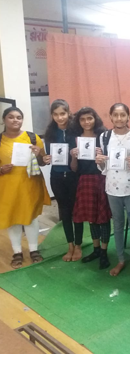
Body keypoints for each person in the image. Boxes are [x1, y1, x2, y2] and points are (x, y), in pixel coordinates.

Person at [96, 103, 130, 276]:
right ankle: (120, 259)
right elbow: (103, 166)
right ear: (110, 117)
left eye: (123, 115)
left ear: (128, 117)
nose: (119, 118)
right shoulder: (104, 137)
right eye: (116, 115)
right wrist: (99, 161)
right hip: (112, 187)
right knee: (117, 224)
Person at [0, 107, 50, 268]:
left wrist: (39, 154)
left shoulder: (32, 138)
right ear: (4, 119)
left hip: (30, 185)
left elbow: (43, 162)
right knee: (12, 218)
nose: (15, 120)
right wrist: (1, 169)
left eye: (19, 117)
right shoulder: (0, 140)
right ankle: (17, 252)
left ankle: (34, 250)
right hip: (7, 186)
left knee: (31, 217)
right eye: (11, 117)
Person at [69, 107, 112, 269]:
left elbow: (111, 162)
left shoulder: (103, 137)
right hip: (84, 180)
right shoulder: (76, 139)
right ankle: (96, 249)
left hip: (101, 179)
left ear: (95, 119)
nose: (86, 122)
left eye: (89, 118)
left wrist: (102, 156)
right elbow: (74, 168)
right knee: (91, 218)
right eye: (82, 119)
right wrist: (73, 156)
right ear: (78, 121)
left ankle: (104, 252)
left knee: (103, 218)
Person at [42, 99, 84, 262]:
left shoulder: (77, 131)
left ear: (68, 113)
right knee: (64, 211)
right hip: (57, 177)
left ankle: (78, 245)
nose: (60, 118)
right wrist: (46, 158)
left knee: (77, 212)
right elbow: (49, 158)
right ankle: (70, 245)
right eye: (56, 114)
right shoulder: (50, 134)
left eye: (63, 113)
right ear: (52, 116)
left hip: (74, 176)